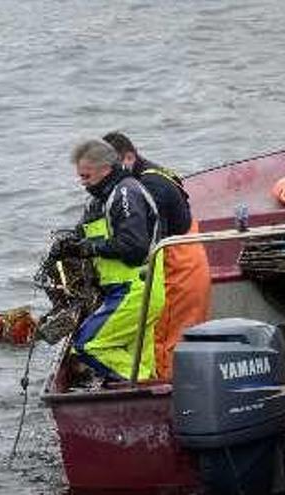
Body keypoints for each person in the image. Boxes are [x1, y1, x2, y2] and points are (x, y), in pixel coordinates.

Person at [103, 132, 211, 381]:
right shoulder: (153, 173)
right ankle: (189, 384)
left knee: (165, 343)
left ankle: (166, 395)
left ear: (128, 158)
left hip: (177, 269)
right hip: (191, 259)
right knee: (185, 337)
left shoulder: (150, 188)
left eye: (111, 169)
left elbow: (144, 245)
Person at [60, 139, 165, 382]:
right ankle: (148, 397)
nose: (83, 183)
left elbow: (135, 248)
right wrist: (73, 244)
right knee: (141, 359)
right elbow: (96, 233)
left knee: (88, 345)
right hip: (125, 291)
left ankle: (140, 386)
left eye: (86, 176)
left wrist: (90, 249)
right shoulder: (101, 198)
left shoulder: (126, 192)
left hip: (136, 290)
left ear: (105, 169)